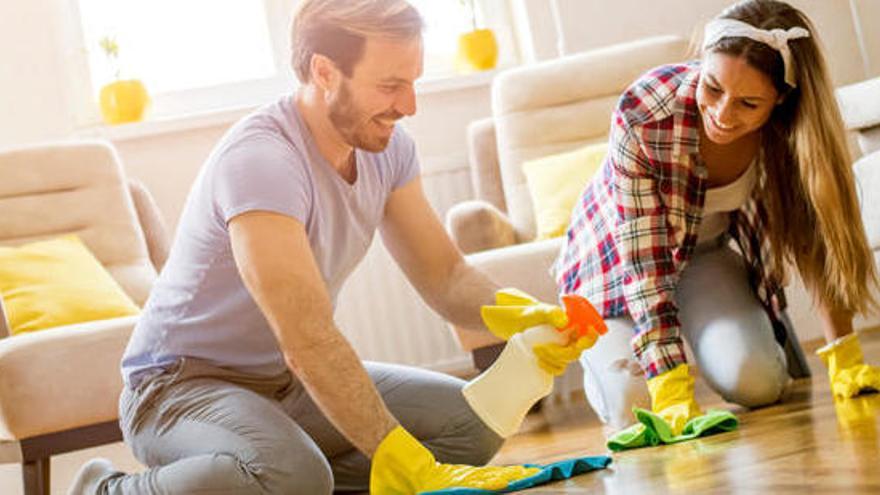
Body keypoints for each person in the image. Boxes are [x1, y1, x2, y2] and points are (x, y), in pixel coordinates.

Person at [67, 1, 586, 493]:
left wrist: (526, 315)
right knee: (296, 477)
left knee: (468, 430)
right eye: (390, 86)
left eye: (412, 83)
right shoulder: (262, 160)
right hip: (178, 388)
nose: (408, 106)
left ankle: (285, 477)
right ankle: (106, 488)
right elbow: (307, 337)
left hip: (282, 382)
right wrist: (399, 457)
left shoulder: (388, 149)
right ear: (323, 71)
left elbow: (446, 277)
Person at [553, 0, 880, 435]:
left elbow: (814, 237)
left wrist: (845, 355)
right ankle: (615, 365)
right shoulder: (646, 112)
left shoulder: (791, 136)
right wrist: (669, 384)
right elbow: (645, 264)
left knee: (759, 384)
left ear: (781, 101)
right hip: (615, 264)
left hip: (704, 256)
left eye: (748, 103)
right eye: (712, 88)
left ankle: (745, 335)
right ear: (701, 63)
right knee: (635, 407)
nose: (723, 115)